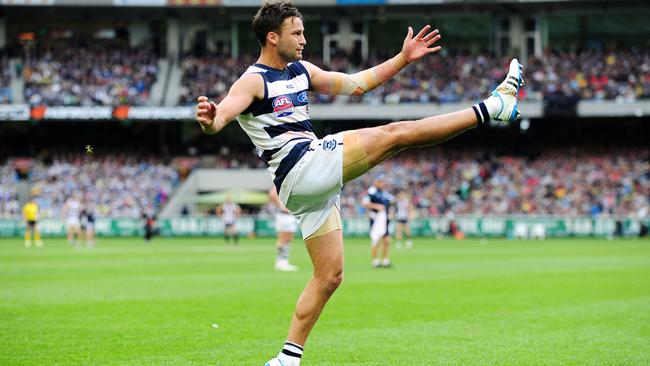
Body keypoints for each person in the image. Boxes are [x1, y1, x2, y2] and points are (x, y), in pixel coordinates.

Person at [195, 2, 523, 364]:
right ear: (272, 37)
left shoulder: (300, 70)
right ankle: (494, 107)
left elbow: (355, 85)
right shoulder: (252, 80)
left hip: (305, 186)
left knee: (329, 276)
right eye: (297, 32)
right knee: (397, 133)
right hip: (303, 166)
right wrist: (211, 121)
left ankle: (286, 358)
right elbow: (222, 114)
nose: (304, 39)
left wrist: (402, 58)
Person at [362, 178, 393, 268]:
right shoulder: (371, 192)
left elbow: (390, 203)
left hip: (384, 219)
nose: (382, 184)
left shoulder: (384, 193)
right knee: (376, 240)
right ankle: (375, 261)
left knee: (387, 240)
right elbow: (365, 203)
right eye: (380, 182)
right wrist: (377, 206)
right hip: (376, 219)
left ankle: (385, 260)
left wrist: (391, 212)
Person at [269, 187, 299, 271]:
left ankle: (283, 261)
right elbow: (272, 194)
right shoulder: (282, 181)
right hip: (285, 215)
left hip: (288, 214)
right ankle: (281, 262)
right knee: (284, 238)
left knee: (288, 238)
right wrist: (282, 206)